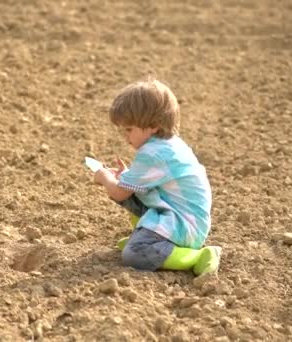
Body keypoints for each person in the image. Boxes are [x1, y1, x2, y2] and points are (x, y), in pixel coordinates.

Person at [93, 78, 221, 277]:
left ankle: (194, 256)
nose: (126, 137)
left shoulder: (154, 154)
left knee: (135, 256)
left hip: (185, 226)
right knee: (132, 191)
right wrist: (126, 176)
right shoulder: (168, 145)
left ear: (153, 125)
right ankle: (147, 238)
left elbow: (118, 193)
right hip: (182, 217)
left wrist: (104, 177)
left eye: (129, 129)